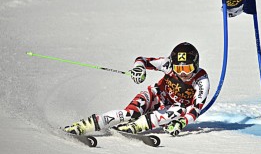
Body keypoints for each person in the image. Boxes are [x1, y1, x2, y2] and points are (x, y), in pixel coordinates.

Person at [64, 42, 210, 136]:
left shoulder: (201, 80)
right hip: (154, 97)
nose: (183, 73)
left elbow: (196, 109)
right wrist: (138, 69)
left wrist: (182, 122)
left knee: (181, 109)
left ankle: (137, 125)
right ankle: (87, 125)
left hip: (171, 109)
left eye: (187, 68)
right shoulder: (167, 64)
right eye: (179, 68)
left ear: (195, 65)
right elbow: (142, 60)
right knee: (130, 113)